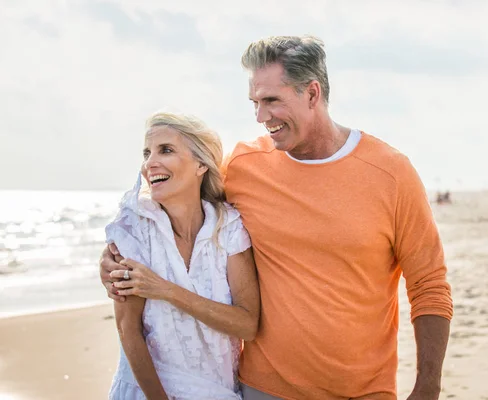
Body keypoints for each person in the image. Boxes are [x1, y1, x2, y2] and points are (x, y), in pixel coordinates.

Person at [101, 35, 452, 400]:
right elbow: (175, 193)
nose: (260, 116)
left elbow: (429, 284)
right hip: (264, 388)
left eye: (272, 101)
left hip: (364, 391)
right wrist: (113, 255)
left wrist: (427, 387)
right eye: (255, 102)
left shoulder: (391, 173)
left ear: (312, 94)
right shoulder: (242, 166)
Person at [105, 112, 260, 399]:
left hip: (217, 389)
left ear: (201, 164)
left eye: (166, 150)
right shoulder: (134, 228)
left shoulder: (228, 227)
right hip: (146, 390)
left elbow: (247, 325)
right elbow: (129, 331)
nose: (150, 163)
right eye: (147, 153)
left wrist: (165, 290)